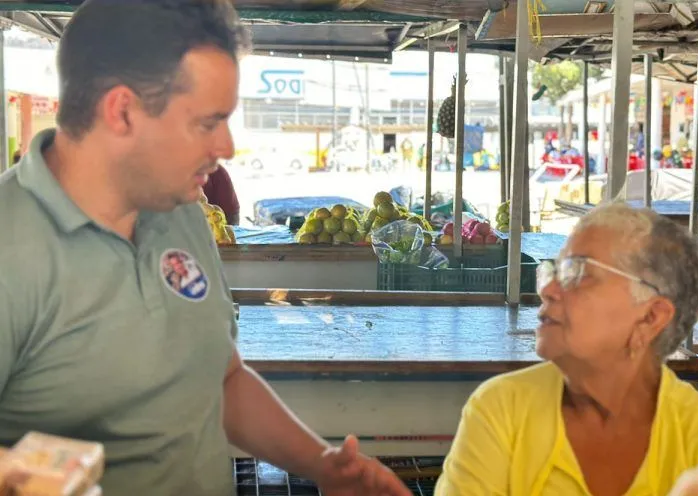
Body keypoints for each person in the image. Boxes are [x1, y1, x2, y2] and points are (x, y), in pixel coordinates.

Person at [0, 1, 410, 496]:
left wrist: (323, 463)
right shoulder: (11, 244)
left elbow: (222, 378)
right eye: (206, 122)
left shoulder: (183, 215)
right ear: (122, 111)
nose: (227, 146)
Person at [435, 202, 698, 496]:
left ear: (651, 317)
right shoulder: (502, 410)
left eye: (577, 273)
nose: (548, 290)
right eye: (554, 271)